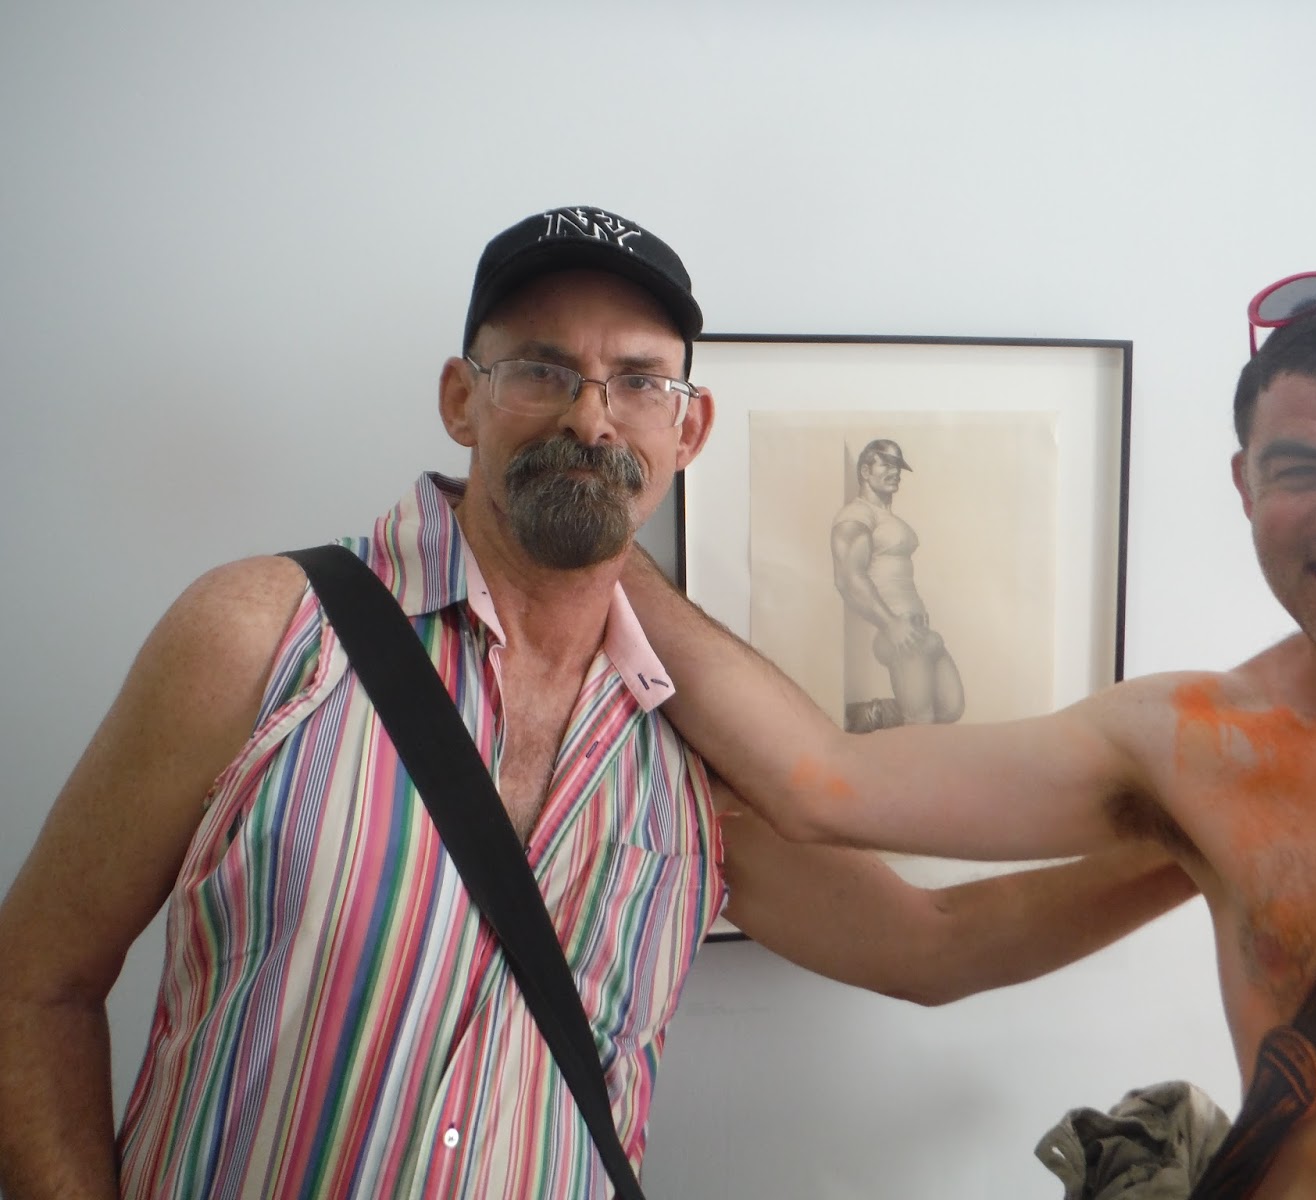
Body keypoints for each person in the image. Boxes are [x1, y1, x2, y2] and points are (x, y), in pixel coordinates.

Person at [0, 205, 1195, 1200]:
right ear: (461, 400)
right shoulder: (262, 635)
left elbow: (936, 946)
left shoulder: (692, 755)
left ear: (689, 425)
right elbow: (34, 983)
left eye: (637, 380)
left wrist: (1215, 846)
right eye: (541, 370)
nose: (589, 415)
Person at [621, 266, 1316, 1197]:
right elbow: (824, 785)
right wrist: (597, 552)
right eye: (1299, 468)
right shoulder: (1198, 753)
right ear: (1245, 486)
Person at [831, 437, 965, 731]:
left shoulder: (885, 517)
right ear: (865, 471)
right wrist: (891, 624)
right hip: (899, 631)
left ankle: (867, 714)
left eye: (898, 467)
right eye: (887, 465)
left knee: (951, 707)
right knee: (921, 722)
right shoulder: (857, 515)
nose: (895, 473)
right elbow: (848, 577)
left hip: (920, 630)